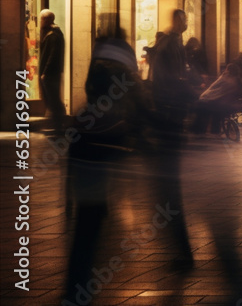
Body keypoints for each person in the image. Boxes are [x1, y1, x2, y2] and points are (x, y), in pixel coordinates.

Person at [64, 30, 151, 302]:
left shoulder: (97, 69)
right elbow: (142, 107)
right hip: (104, 148)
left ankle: (76, 285)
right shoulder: (123, 72)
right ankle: (79, 288)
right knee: (92, 221)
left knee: (86, 222)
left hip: (85, 147)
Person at [148, 9, 195, 268]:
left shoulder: (174, 44)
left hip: (169, 122)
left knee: (168, 191)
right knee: (168, 190)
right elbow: (165, 81)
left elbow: (172, 80)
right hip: (169, 120)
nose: (187, 23)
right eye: (184, 19)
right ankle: (183, 250)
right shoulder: (169, 45)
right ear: (176, 21)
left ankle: (183, 252)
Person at [191, 63, 242, 134]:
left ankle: (199, 129)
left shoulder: (226, 79)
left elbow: (213, 87)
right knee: (203, 105)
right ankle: (210, 130)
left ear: (228, 70)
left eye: (226, 69)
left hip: (222, 105)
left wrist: (204, 96)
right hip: (229, 103)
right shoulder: (237, 80)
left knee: (200, 105)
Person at [39, 9, 66, 136]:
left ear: (47, 20)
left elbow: (52, 56)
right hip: (52, 72)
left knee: (54, 99)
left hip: (51, 73)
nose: (40, 22)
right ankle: (56, 125)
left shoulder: (53, 35)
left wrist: (45, 72)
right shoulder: (53, 34)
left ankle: (58, 125)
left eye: (42, 19)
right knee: (52, 99)